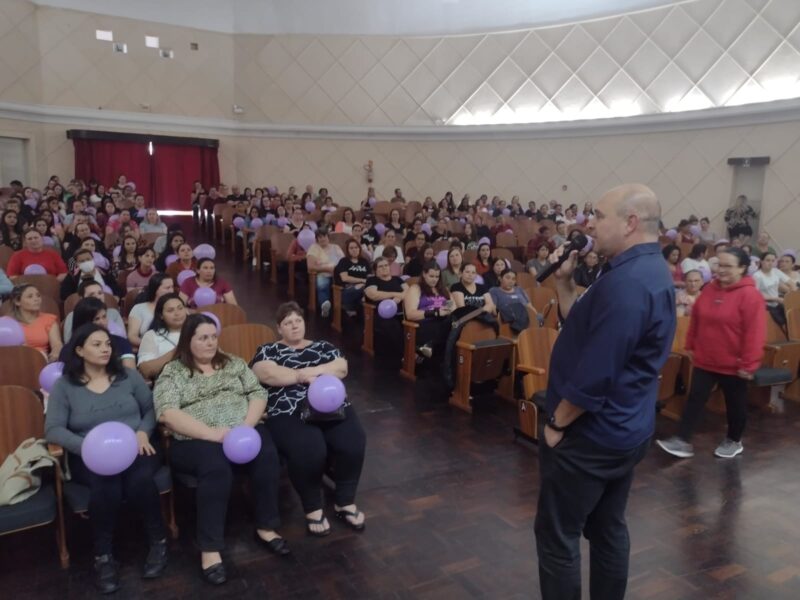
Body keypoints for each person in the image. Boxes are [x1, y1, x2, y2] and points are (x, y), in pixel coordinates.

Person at [534, 184, 676, 600]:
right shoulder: (643, 270)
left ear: (630, 222)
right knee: (607, 526)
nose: (589, 224)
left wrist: (558, 424)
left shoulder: (628, 282)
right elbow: (587, 331)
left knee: (557, 536)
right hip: (627, 426)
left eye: (598, 215)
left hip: (592, 435)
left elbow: (597, 371)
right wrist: (564, 287)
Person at [155, 314, 286, 585]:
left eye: (213, 337)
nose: (210, 342)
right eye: (203, 338)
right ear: (187, 340)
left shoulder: (233, 363)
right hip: (196, 439)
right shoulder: (174, 371)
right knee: (216, 469)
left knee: (267, 454)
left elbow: (258, 393)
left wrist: (246, 428)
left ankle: (266, 526)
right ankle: (210, 548)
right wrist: (214, 434)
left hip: (242, 430)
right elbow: (167, 413)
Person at [45, 324, 168, 593]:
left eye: (108, 344)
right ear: (79, 350)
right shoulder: (65, 386)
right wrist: (89, 447)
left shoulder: (127, 376)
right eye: (97, 344)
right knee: (105, 484)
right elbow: (53, 429)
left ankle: (158, 541)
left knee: (139, 480)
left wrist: (143, 433)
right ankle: (103, 555)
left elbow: (151, 409)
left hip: (136, 448)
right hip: (90, 456)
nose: (105, 349)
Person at [251, 302, 367, 537]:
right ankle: (313, 507)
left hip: (332, 407)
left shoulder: (323, 347)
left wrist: (309, 373)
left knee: (353, 440)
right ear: (279, 329)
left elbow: (341, 368)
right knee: (310, 449)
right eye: (288, 323)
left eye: (298, 321)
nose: (294, 326)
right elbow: (267, 373)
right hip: (288, 410)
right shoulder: (269, 350)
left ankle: (344, 502)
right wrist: (302, 376)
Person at [657, 247, 766, 460]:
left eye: (728, 266)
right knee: (695, 399)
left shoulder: (750, 296)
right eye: (719, 264)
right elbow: (697, 318)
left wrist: (749, 363)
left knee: (735, 405)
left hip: (734, 364)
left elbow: (755, 333)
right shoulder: (709, 290)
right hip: (706, 359)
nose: (721, 270)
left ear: (742, 268)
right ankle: (682, 440)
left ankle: (734, 440)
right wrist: (690, 345)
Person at [62, 297, 135, 368]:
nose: (102, 323)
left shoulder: (122, 343)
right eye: (96, 319)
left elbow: (131, 376)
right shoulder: (68, 350)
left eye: (104, 317)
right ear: (83, 323)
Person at [403, 261, 453, 360]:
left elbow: (452, 306)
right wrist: (435, 312)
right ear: (424, 274)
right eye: (431, 276)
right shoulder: (416, 289)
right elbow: (410, 314)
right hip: (424, 324)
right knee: (447, 329)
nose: (435, 280)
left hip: (443, 321)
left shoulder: (443, 290)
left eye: (437, 277)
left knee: (455, 326)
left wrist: (448, 309)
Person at [137, 294, 187, 381]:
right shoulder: (152, 335)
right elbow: (146, 370)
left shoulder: (198, 331)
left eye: (180, 308)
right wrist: (178, 350)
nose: (177, 313)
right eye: (170, 310)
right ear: (161, 315)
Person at [8, 282, 62, 361]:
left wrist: (56, 352)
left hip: (40, 360)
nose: (36, 299)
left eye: (38, 295)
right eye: (30, 296)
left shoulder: (49, 319)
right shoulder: (7, 322)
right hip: (14, 361)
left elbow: (57, 344)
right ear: (17, 301)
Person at [127, 274, 174, 348]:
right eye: (167, 288)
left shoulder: (177, 308)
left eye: (172, 287)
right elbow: (132, 337)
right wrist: (152, 345)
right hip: (148, 348)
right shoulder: (139, 308)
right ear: (156, 290)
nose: (171, 291)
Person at [306, 228, 344, 318]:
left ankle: (344, 308)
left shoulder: (336, 247)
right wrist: (326, 269)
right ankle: (325, 305)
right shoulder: (314, 248)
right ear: (317, 239)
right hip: (322, 273)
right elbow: (310, 267)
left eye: (324, 236)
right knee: (322, 284)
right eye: (320, 237)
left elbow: (343, 261)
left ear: (328, 237)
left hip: (338, 273)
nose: (322, 239)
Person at [333, 238, 370, 316]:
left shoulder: (364, 261)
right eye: (351, 248)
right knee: (363, 290)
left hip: (363, 289)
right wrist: (362, 281)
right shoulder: (344, 261)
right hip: (347, 289)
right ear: (347, 250)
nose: (354, 250)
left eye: (356, 247)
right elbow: (345, 278)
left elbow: (369, 277)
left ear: (359, 249)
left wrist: (364, 284)